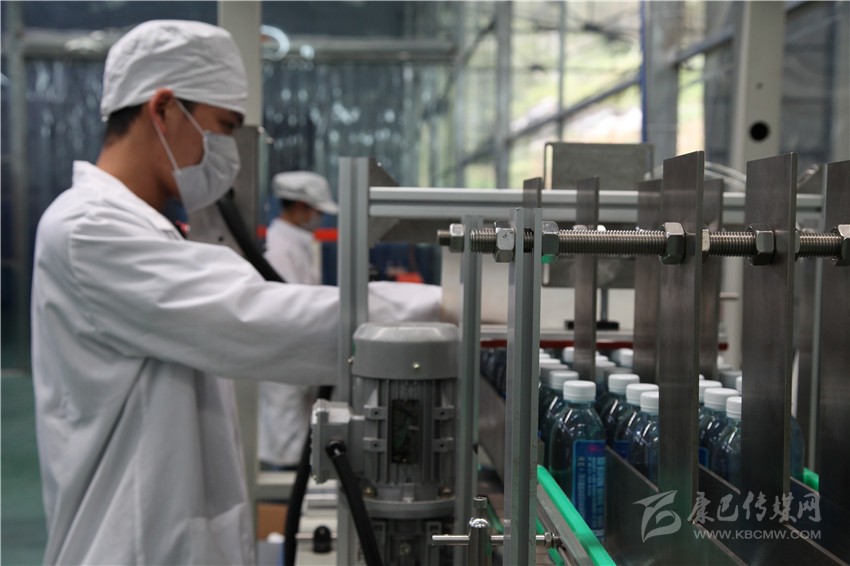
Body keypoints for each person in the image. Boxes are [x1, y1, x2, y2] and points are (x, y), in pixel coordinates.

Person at [30, 20, 439, 565]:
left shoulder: (141, 227)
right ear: (163, 109)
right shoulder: (89, 231)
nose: (227, 153)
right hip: (128, 546)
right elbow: (253, 316)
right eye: (222, 128)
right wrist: (444, 308)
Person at [258, 171, 337, 470]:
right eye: (318, 212)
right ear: (302, 207)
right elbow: (287, 307)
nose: (320, 219)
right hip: (285, 358)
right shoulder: (279, 247)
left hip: (300, 357)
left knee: (299, 437)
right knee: (285, 444)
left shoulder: (297, 243)